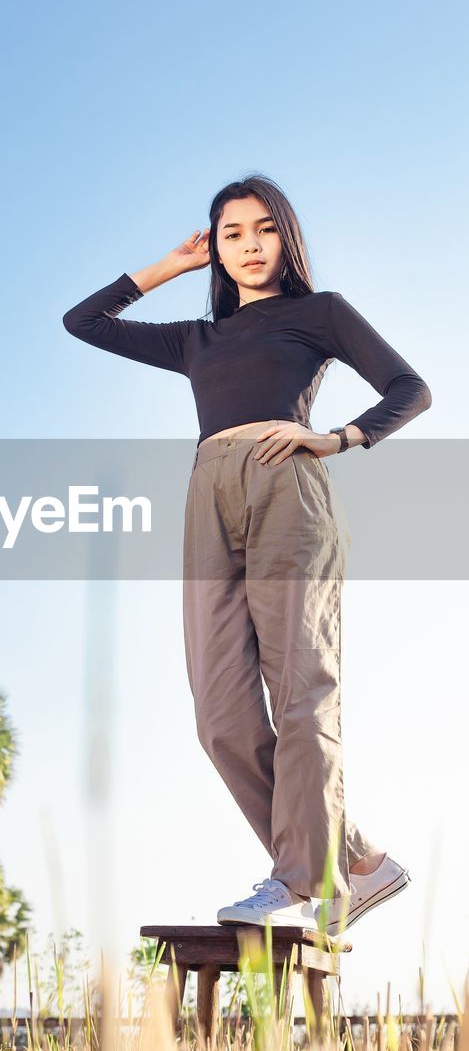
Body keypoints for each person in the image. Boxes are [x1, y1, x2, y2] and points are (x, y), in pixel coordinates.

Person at [61, 174, 432, 935]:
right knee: (220, 714)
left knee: (300, 692)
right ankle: (357, 860)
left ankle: (297, 882)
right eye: (231, 234)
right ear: (215, 247)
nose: (248, 245)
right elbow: (83, 321)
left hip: (286, 485)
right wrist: (168, 265)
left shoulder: (317, 314)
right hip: (207, 496)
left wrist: (336, 438)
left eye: (263, 229)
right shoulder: (194, 338)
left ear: (284, 238)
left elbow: (409, 386)